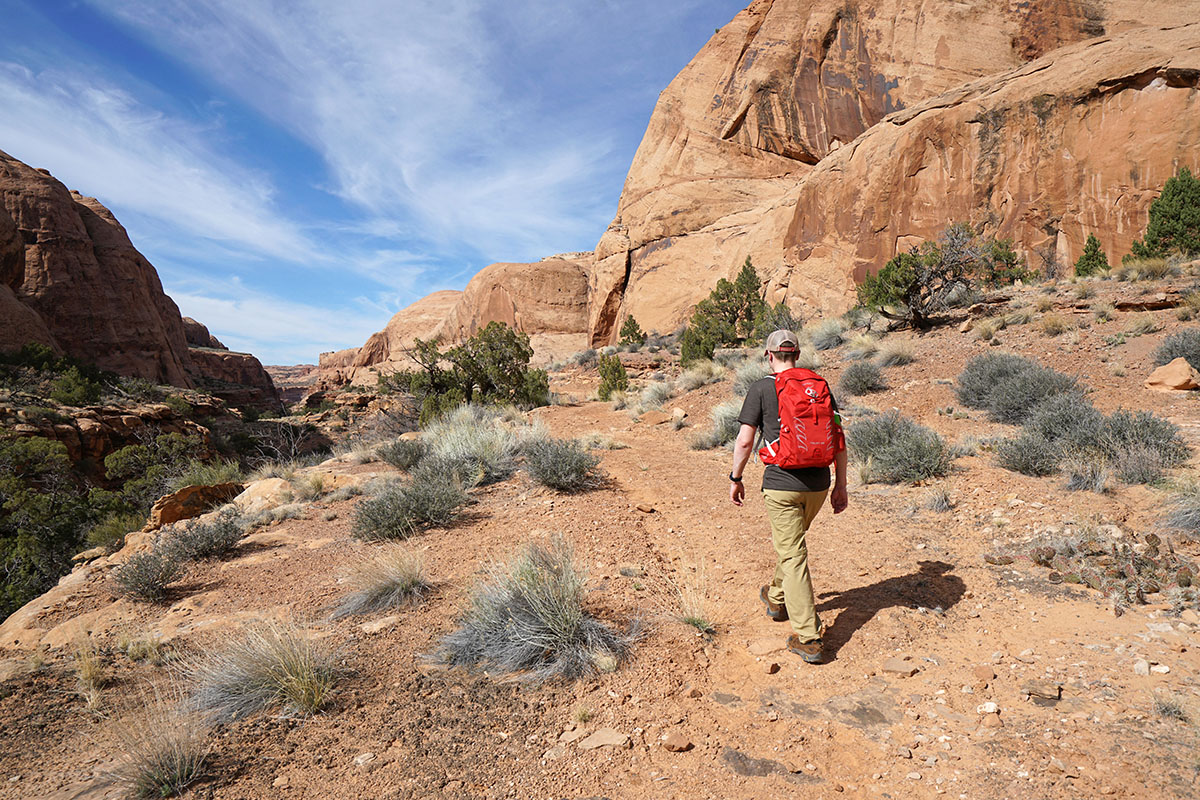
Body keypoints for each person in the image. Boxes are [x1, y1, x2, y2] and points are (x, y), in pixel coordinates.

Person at [729, 329, 848, 663]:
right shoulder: (819, 387)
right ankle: (777, 596)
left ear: (769, 355)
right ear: (797, 353)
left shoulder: (762, 388)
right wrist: (841, 485)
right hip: (819, 486)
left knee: (793, 554)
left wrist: (735, 478)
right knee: (791, 545)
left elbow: (743, 441)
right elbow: (839, 439)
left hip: (782, 485)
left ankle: (809, 637)